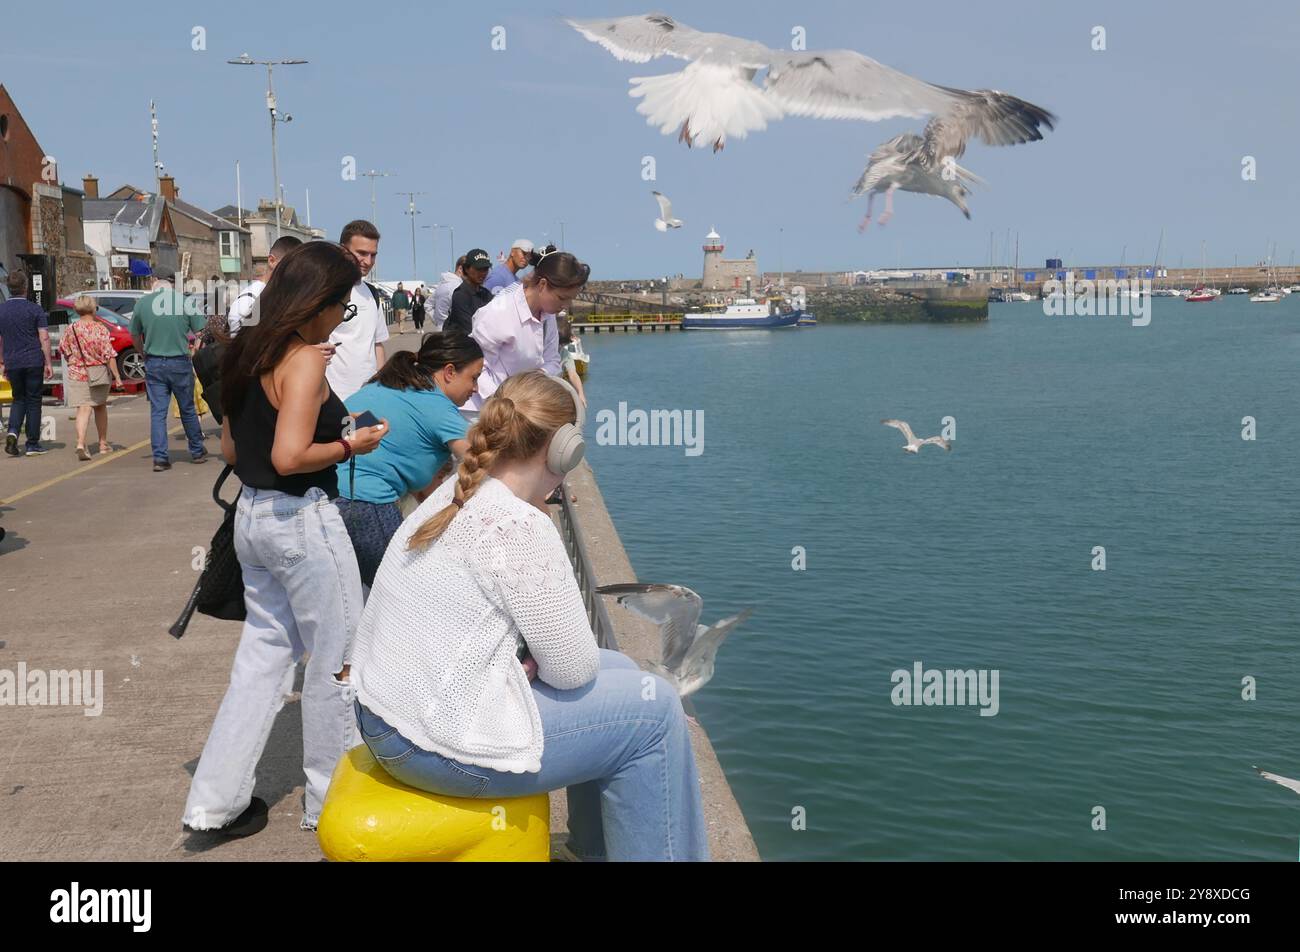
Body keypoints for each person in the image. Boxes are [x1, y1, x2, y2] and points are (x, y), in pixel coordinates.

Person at [350, 371, 708, 861]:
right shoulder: (518, 524)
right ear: (565, 451)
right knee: (656, 713)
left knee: (625, 674)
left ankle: (591, 851)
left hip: (384, 717)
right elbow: (573, 670)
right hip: (430, 747)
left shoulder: (455, 490)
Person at [183, 241, 388, 838]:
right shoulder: (303, 360)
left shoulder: (245, 350)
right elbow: (291, 455)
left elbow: (231, 449)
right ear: (317, 301)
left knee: (260, 663)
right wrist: (354, 444)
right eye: (342, 304)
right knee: (339, 663)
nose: (342, 315)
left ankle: (213, 804)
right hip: (304, 522)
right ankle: (333, 804)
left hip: (252, 519)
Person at [334, 332, 482, 586]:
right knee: (399, 590)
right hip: (366, 504)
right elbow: (482, 464)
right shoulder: (437, 406)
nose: (476, 388)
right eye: (474, 377)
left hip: (324, 494)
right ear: (449, 372)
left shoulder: (381, 385)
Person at [465, 250, 589, 418]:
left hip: (519, 409)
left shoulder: (548, 314)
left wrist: (539, 377)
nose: (566, 305)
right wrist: (508, 399)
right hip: (480, 411)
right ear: (543, 285)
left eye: (570, 299)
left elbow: (553, 360)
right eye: (562, 298)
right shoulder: (498, 312)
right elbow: (475, 368)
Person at [129, 275, 208, 471]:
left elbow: (134, 335)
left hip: (154, 362)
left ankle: (160, 458)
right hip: (180, 362)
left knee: (158, 412)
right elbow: (201, 331)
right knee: (187, 408)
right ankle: (197, 451)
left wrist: (142, 352)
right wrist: (195, 350)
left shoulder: (142, 304)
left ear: (154, 288)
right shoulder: (184, 301)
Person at [327, 220, 389, 401]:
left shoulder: (372, 293)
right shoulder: (324, 290)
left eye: (373, 255)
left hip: (369, 396)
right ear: (342, 249)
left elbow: (377, 344)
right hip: (333, 397)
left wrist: (381, 384)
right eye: (361, 253)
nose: (368, 261)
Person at [57, 294, 123, 460]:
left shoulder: (71, 329)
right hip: (98, 372)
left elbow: (63, 349)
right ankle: (102, 444)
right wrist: (117, 377)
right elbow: (109, 355)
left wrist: (74, 361)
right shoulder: (100, 329)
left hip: (77, 373)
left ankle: (80, 443)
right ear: (93, 308)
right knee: (100, 407)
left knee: (83, 408)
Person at [0, 270, 53, 457]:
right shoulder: (35, 309)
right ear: (25, 287)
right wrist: (48, 362)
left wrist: (3, 361)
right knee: (33, 401)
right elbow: (44, 337)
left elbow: (0, 339)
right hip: (32, 360)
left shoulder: (2, 310)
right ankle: (32, 443)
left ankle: (13, 431)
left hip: (12, 361)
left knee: (18, 399)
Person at [227, 236, 302, 335]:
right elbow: (245, 347)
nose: (296, 272)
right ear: (271, 261)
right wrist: (301, 349)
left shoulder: (290, 297)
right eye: (291, 266)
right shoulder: (249, 301)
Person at [444, 249, 494, 336]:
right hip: (464, 345)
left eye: (485, 269)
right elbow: (470, 330)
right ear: (467, 269)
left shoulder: (486, 294)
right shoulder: (460, 295)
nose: (482, 273)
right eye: (478, 269)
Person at [556, 313, 587, 410]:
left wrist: (581, 394)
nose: (560, 347)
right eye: (559, 344)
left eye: (563, 344)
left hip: (553, 391)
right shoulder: (540, 350)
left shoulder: (565, 353)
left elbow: (573, 374)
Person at [432, 256, 465, 331]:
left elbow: (428, 305)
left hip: (441, 329)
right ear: (460, 269)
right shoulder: (457, 286)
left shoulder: (442, 285)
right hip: (453, 331)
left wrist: (439, 321)